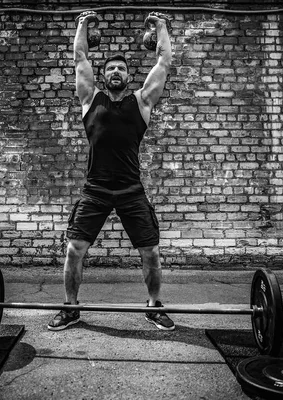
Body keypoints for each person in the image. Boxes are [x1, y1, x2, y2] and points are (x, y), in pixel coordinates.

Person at [47, 11, 173, 331]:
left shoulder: (142, 102)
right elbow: (79, 59)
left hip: (131, 189)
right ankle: (71, 308)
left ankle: (153, 306)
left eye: (121, 68)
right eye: (110, 68)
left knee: (151, 251)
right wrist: (82, 26)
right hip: (96, 189)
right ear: (103, 76)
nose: (116, 71)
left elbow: (163, 63)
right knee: (75, 249)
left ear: (129, 75)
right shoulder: (90, 98)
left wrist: (160, 28)